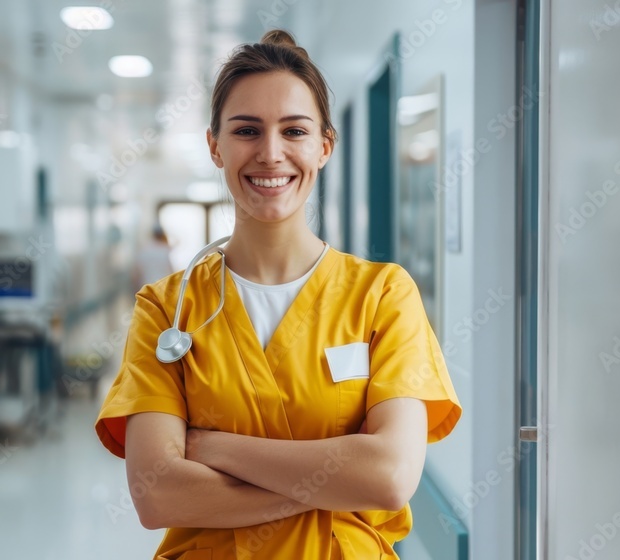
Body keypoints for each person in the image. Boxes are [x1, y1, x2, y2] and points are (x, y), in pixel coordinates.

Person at [95, 29, 461, 559]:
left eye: (294, 130)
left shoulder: (382, 294)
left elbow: (388, 477)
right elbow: (157, 495)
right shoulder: (167, 308)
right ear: (215, 146)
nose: (270, 154)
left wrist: (213, 448)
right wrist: (333, 484)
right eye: (247, 130)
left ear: (324, 146)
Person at [133, 226, 175, 293]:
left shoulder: (143, 250)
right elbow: (171, 271)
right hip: (162, 287)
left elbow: (136, 273)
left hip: (146, 287)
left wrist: (135, 290)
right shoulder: (165, 250)